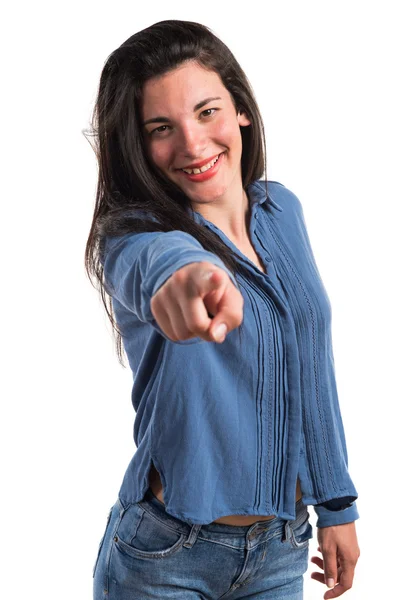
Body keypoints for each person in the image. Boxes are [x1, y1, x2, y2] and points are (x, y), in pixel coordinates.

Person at [85, 19, 360, 600]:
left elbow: (313, 366)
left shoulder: (281, 210)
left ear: (241, 110)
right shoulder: (135, 235)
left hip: (282, 551)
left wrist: (337, 504)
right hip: (165, 556)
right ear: (139, 145)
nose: (191, 144)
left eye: (206, 111)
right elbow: (160, 264)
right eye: (161, 128)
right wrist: (188, 278)